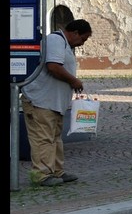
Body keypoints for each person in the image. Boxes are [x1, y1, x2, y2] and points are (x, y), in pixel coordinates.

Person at [20, 18, 92, 187]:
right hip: (40, 100)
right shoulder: (55, 40)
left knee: (54, 138)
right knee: (43, 138)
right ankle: (42, 175)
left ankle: (57, 170)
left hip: (53, 102)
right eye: (83, 39)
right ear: (74, 33)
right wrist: (74, 81)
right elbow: (53, 66)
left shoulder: (65, 45)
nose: (82, 43)